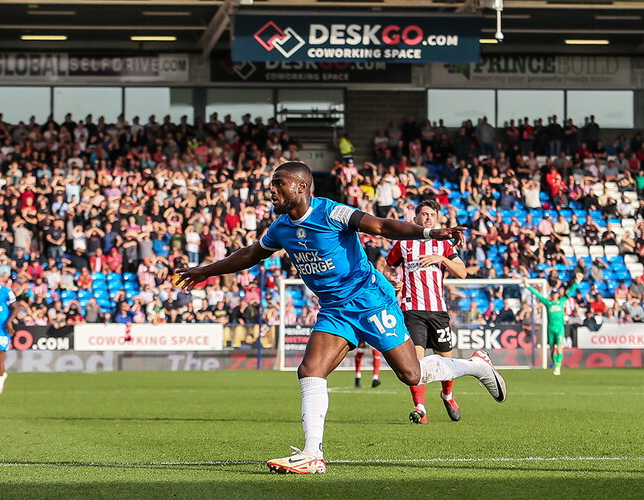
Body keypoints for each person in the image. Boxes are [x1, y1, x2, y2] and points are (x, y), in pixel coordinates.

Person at [175, 162, 506, 475]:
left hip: (370, 300)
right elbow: (250, 254)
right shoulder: (281, 228)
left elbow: (382, 226)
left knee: (411, 374)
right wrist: (206, 271)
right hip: (335, 309)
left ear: (301, 187)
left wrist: (429, 233)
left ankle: (476, 366)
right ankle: (312, 454)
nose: (271, 190)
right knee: (310, 370)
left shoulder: (332, 212)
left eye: (279, 184)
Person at [385, 199, 468, 424]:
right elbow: (387, 268)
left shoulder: (444, 245)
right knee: (416, 361)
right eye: (424, 214)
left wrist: (441, 259)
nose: (428, 218)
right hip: (412, 310)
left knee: (446, 362)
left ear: (437, 219)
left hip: (438, 310)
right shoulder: (404, 244)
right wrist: (392, 280)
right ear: (416, 218)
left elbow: (462, 272)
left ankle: (447, 395)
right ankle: (420, 408)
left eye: (432, 215)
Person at [526, 283, 577, 376]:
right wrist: (528, 286)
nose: (554, 295)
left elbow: (570, 293)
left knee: (560, 347)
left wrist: (576, 283)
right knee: (552, 348)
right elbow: (537, 295)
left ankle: (558, 367)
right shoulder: (548, 303)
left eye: (555, 294)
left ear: (558, 294)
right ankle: (555, 364)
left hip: (560, 328)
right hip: (550, 328)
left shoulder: (561, 301)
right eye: (553, 294)